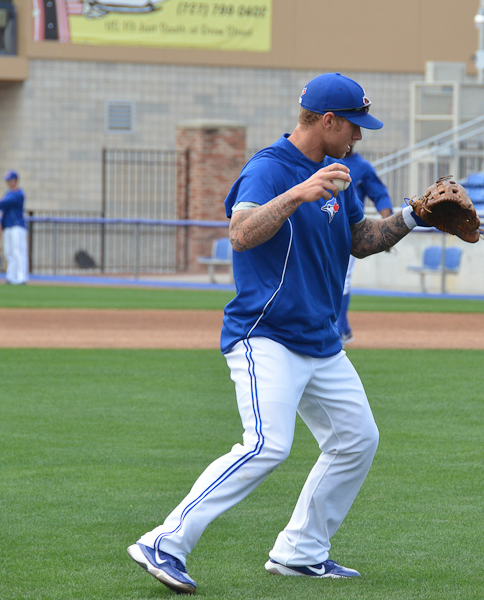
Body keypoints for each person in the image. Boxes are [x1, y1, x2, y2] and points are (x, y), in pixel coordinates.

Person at [127, 72, 429, 595]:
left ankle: (300, 552)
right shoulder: (268, 168)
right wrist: (297, 193)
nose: (360, 136)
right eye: (354, 125)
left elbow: (359, 239)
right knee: (267, 444)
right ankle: (165, 542)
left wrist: (410, 216)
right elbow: (241, 234)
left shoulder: (340, 171)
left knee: (357, 440)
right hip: (264, 335)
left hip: (321, 340)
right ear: (327, 120)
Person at [336, 141, 394, 345]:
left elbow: (380, 195)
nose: (351, 138)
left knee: (344, 278)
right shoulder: (320, 160)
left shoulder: (361, 167)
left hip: (349, 231)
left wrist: (387, 229)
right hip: (321, 229)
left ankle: (341, 328)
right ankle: (337, 328)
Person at [0, 171, 29, 285]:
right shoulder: (8, 193)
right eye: (7, 181)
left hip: (17, 226)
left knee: (19, 252)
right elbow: (4, 211)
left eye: (10, 180)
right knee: (9, 252)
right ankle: (11, 276)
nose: (8, 183)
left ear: (16, 181)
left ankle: (22, 277)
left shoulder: (19, 194)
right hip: (8, 227)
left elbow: (4, 203)